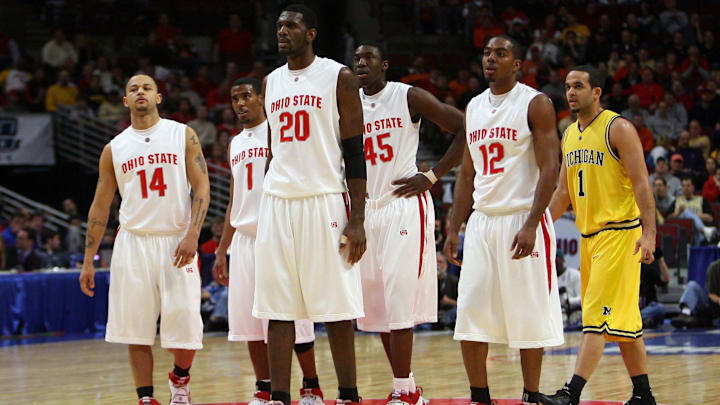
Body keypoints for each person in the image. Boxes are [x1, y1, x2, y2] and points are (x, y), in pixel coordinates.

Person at [253, 5, 366, 405]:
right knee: (277, 306)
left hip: (323, 199)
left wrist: (357, 220)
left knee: (336, 307)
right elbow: (273, 151)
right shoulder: (270, 82)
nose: (282, 31)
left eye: (291, 25)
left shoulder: (339, 77)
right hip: (278, 202)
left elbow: (355, 153)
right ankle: (280, 397)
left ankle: (348, 395)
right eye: (279, 26)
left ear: (311, 33)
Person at [444, 35, 564, 405]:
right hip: (482, 222)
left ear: (517, 64)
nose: (491, 58)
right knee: (470, 311)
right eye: (486, 53)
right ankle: (480, 396)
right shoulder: (474, 106)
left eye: (501, 53)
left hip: (522, 220)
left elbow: (550, 168)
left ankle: (530, 394)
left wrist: (532, 222)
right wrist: (453, 226)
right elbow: (466, 175)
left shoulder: (535, 103)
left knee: (528, 313)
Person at [78, 74, 210, 405]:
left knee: (185, 323)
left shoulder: (183, 135)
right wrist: (87, 261)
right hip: (133, 243)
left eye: (146, 88)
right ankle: (146, 397)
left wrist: (194, 233)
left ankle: (180, 379)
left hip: (176, 240)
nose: (140, 92)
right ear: (125, 101)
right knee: (136, 330)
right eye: (133, 89)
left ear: (158, 97)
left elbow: (203, 186)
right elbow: (100, 206)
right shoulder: (115, 148)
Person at [352, 41, 466, 405]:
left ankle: (404, 390)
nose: (361, 63)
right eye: (356, 59)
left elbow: (466, 128)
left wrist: (432, 176)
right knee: (379, 307)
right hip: (367, 209)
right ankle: (408, 386)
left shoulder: (408, 96)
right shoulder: (348, 106)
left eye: (368, 58)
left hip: (403, 205)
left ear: (384, 65)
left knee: (399, 301)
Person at [538, 65, 657, 405]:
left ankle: (570, 394)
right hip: (589, 238)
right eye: (567, 87)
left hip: (620, 234)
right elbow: (563, 193)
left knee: (595, 317)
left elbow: (641, 184)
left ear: (597, 92)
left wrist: (649, 234)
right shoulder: (569, 134)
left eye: (578, 86)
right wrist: (538, 225)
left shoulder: (617, 128)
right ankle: (643, 396)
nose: (571, 92)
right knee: (624, 321)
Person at [212, 77, 324, 405]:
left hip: (278, 233)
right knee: (249, 322)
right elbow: (236, 199)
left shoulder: (280, 131)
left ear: (261, 98)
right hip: (244, 240)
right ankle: (263, 388)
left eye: (247, 95)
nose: (241, 102)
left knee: (294, 318)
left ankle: (311, 385)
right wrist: (222, 248)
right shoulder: (234, 143)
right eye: (235, 98)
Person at [671, 259, 720, 328]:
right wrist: (718, 300)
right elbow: (711, 294)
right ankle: (686, 313)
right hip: (713, 307)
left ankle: (699, 321)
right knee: (692, 286)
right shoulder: (715, 267)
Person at [639, 248, 670, 329]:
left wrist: (661, 259)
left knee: (659, 308)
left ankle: (638, 320)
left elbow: (665, 279)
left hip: (647, 309)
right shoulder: (626, 268)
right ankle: (641, 320)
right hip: (630, 309)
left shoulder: (647, 266)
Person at [556, 250, 582, 329]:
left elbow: (583, 298)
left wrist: (569, 301)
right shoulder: (549, 278)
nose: (555, 262)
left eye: (557, 259)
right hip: (557, 312)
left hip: (574, 310)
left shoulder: (574, 274)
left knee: (575, 317)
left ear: (562, 260)